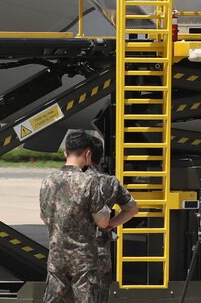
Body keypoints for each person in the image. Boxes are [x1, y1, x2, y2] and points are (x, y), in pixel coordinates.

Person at [39, 130, 139, 303]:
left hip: (56, 259)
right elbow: (104, 220)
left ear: (65, 152)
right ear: (88, 153)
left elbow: (44, 215)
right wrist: (110, 223)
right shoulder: (90, 182)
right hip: (84, 261)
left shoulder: (48, 181)